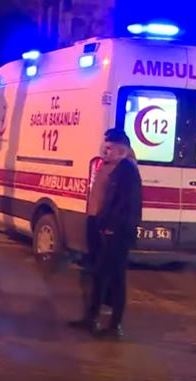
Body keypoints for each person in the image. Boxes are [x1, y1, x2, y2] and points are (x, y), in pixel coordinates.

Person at [73, 129, 142, 340]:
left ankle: (113, 326)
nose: (105, 150)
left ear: (122, 149)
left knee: (113, 277)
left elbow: (125, 205)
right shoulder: (108, 165)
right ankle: (91, 318)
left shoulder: (127, 170)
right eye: (105, 146)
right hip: (100, 224)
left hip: (116, 231)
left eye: (110, 147)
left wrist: (111, 227)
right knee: (98, 273)